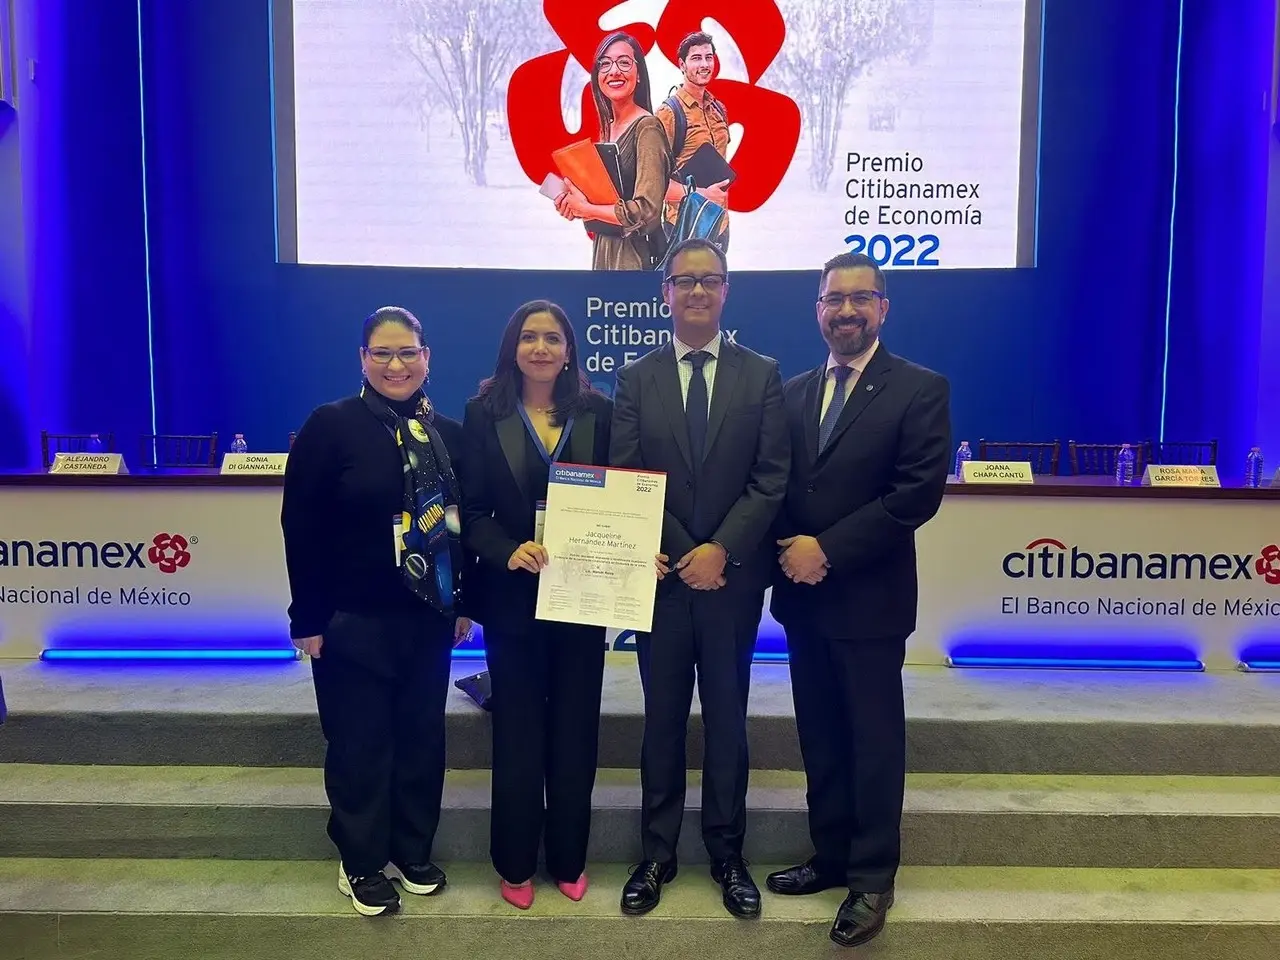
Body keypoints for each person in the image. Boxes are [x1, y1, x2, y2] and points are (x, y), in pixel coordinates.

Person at [766, 253, 951, 948]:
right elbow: (776, 484)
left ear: (883, 307)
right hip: (802, 602)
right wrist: (789, 545)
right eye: (833, 299)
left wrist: (827, 549)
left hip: (869, 603)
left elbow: (914, 494)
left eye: (860, 299)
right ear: (817, 308)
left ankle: (872, 876)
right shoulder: (789, 393)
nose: (846, 311)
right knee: (821, 736)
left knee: (873, 742)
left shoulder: (919, 389)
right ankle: (832, 855)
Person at [610, 237, 789, 918]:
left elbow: (770, 478)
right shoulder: (636, 376)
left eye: (709, 281)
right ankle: (656, 854)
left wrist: (722, 551)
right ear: (664, 293)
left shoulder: (761, 374)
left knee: (727, 722)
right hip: (660, 583)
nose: (696, 292)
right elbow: (630, 474)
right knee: (661, 723)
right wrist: (690, 551)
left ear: (725, 292)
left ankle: (726, 852)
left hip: (732, 585)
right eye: (683, 281)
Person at [281, 306, 472, 917]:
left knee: (421, 740)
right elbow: (300, 527)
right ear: (362, 359)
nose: (396, 365)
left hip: (426, 620)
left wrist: (460, 602)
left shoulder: (445, 434)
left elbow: (455, 528)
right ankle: (360, 860)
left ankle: (412, 849)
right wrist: (307, 619)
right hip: (350, 621)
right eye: (382, 353)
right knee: (360, 744)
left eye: (408, 353)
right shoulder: (330, 427)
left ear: (427, 359)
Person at [461, 300, 623, 910]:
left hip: (582, 596)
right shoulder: (484, 414)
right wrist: (507, 550)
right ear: (512, 347)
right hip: (512, 599)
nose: (540, 348)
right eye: (529, 337)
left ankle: (569, 858)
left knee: (577, 729)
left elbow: (623, 497)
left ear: (569, 348)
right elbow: (470, 512)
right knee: (520, 733)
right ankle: (514, 861)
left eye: (552, 338)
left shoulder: (597, 412)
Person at [554, 31, 671, 271]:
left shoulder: (648, 127)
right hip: (604, 252)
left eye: (624, 62)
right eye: (604, 64)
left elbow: (647, 212)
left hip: (634, 261)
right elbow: (607, 202)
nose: (613, 71)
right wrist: (576, 205)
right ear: (597, 76)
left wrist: (587, 209)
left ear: (639, 75)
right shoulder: (607, 129)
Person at [656, 31, 732, 251]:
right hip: (683, 226)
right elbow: (653, 183)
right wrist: (702, 194)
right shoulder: (669, 113)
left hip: (719, 223)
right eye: (696, 58)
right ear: (682, 65)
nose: (704, 64)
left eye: (708, 57)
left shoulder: (718, 109)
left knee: (716, 285)